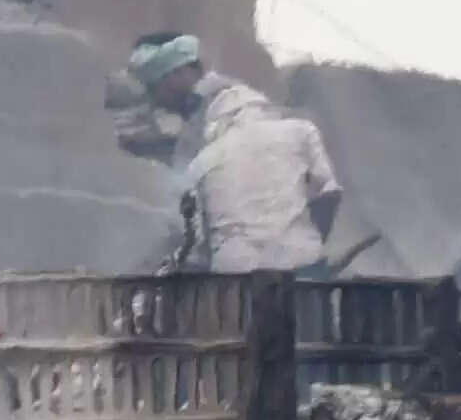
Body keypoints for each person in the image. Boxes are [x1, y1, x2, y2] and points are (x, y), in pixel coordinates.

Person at [118, 34, 348, 276]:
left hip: (233, 277)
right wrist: (307, 247)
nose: (157, 100)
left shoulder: (201, 148)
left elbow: (195, 240)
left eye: (156, 87)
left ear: (178, 74)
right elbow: (329, 196)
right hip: (303, 268)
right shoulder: (301, 130)